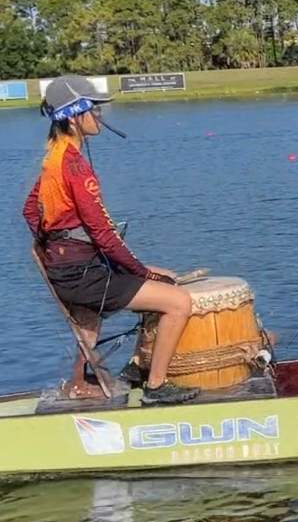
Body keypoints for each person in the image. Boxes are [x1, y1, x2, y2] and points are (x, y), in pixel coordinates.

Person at [22, 74, 199, 405]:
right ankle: (157, 386)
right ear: (75, 116)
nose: (100, 115)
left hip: (71, 269)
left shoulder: (54, 155)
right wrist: (143, 271)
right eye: (95, 109)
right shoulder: (75, 166)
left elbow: (31, 211)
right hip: (81, 272)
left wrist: (55, 252)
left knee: (91, 317)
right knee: (178, 302)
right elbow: (103, 233)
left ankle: (96, 379)